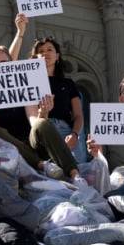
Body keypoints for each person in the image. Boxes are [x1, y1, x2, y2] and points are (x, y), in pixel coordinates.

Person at [0, 44, 86, 186]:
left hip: (32, 145)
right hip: (10, 149)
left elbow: (35, 122)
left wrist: (44, 112)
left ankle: (75, 174)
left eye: (3, 63)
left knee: (42, 123)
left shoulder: (24, 93)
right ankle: (42, 166)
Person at [32, 36, 87, 164]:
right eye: (41, 51)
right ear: (35, 58)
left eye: (49, 49)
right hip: (41, 130)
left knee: (76, 167)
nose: (45, 53)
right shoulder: (29, 82)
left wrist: (74, 134)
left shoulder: (67, 84)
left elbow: (78, 115)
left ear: (57, 56)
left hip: (67, 131)